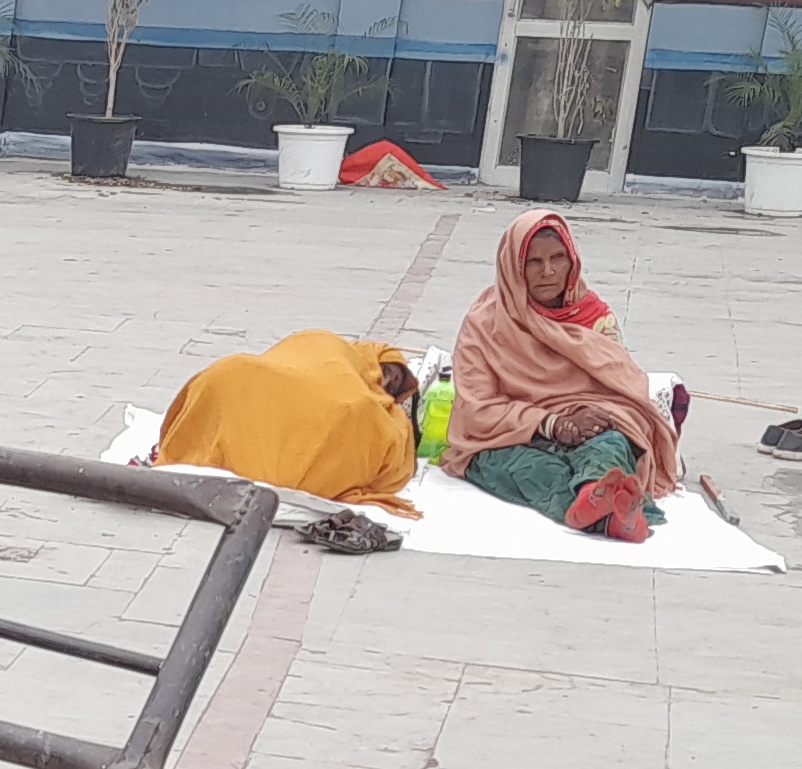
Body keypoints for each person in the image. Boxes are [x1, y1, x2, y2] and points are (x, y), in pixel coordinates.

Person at [442, 209, 685, 542]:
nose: (548, 272)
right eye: (533, 262)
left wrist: (597, 420)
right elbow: (476, 408)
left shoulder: (595, 318)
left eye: (558, 258)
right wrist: (552, 424)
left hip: (587, 432)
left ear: (573, 261)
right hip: (511, 438)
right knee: (523, 469)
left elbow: (625, 390)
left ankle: (595, 495)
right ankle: (607, 513)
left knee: (612, 444)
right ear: (513, 266)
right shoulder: (485, 323)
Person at [152, 331, 424, 517]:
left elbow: (393, 458)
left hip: (327, 414)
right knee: (229, 373)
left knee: (351, 411)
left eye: (395, 384)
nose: (387, 381)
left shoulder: (375, 411)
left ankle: (277, 470)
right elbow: (292, 354)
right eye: (387, 371)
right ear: (369, 358)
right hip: (258, 378)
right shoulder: (328, 344)